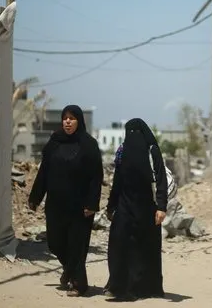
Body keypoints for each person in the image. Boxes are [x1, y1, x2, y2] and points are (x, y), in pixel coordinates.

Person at [28, 104, 103, 297]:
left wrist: (92, 204)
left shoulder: (88, 144)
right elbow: (44, 171)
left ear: (79, 121)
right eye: (65, 118)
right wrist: (35, 197)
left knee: (77, 246)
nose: (67, 121)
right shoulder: (55, 142)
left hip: (80, 207)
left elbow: (96, 177)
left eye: (72, 118)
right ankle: (70, 271)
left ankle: (79, 284)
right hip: (56, 205)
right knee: (55, 243)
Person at [104, 118, 168, 301]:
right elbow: (117, 181)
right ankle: (117, 285)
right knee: (118, 244)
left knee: (142, 248)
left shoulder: (152, 151)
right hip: (124, 206)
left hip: (147, 206)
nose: (133, 137)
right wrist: (111, 206)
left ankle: (142, 287)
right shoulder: (122, 152)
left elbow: (161, 179)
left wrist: (161, 207)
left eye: (136, 132)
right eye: (129, 132)